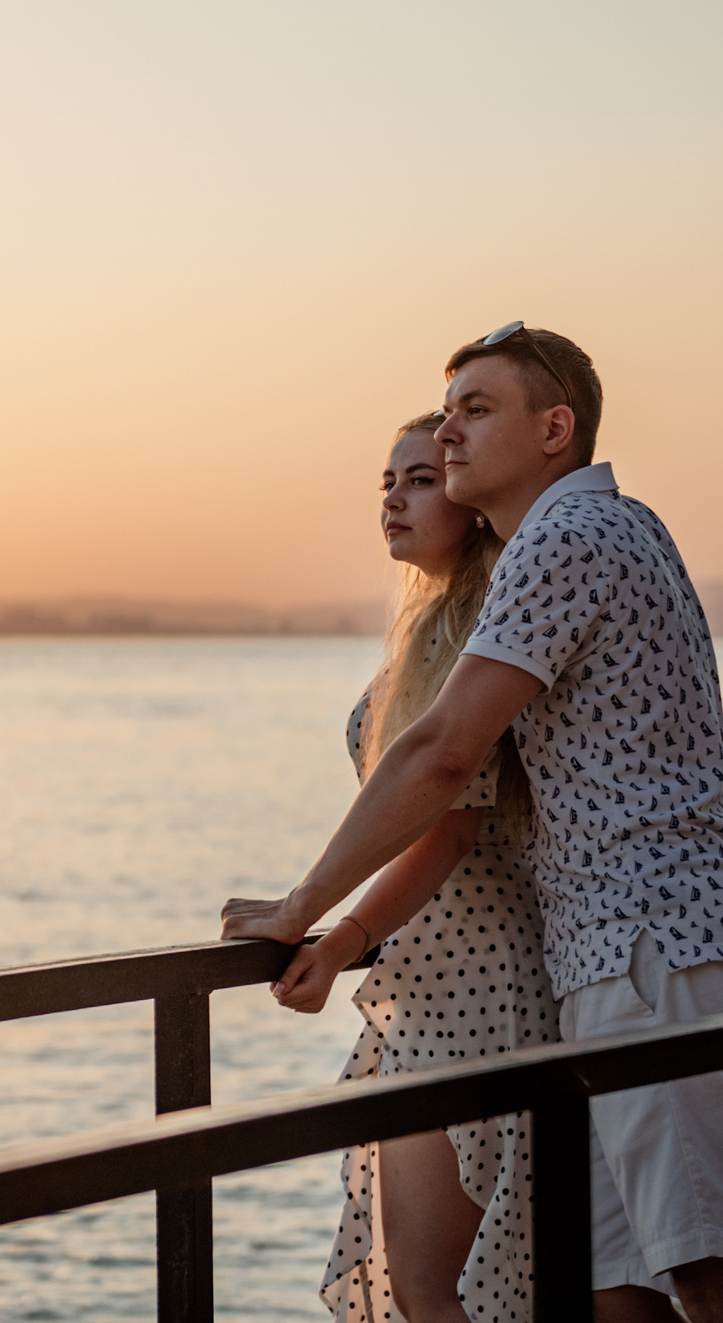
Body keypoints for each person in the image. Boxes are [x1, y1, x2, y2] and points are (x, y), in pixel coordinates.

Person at [224, 324, 723, 1323]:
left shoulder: (571, 535)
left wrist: (304, 906)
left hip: (654, 946)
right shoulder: (610, 527)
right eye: (445, 411)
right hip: (621, 958)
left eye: (475, 410)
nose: (448, 433)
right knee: (615, 1293)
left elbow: (445, 753)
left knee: (718, 1277)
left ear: (554, 428)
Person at [265, 411, 560, 1323]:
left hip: (476, 986)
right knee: (440, 1287)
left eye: (422, 479)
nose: (394, 497)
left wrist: (335, 925)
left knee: (442, 1290)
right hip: (430, 982)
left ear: (471, 502)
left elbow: (451, 824)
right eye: (387, 481)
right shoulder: (430, 623)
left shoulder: (481, 623)